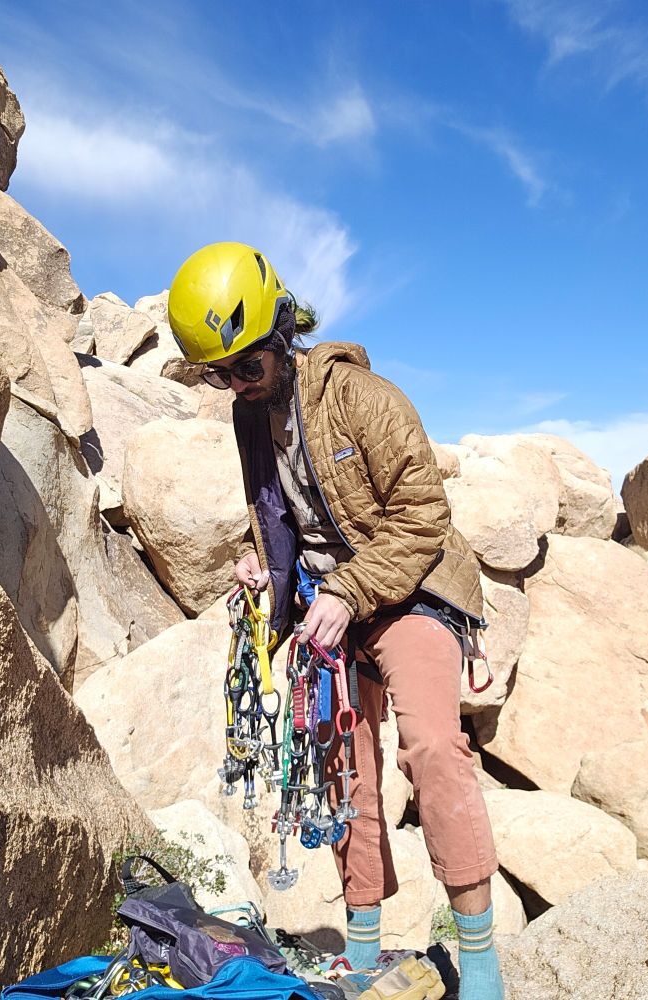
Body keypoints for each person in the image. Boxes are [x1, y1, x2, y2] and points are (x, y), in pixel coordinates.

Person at [168, 242, 505, 1000]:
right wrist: (265, 572)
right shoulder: (248, 416)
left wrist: (349, 592)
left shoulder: (363, 399)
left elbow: (423, 518)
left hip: (410, 590)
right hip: (328, 603)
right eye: (219, 374)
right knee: (343, 771)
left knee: (432, 747)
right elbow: (279, 512)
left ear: (282, 335)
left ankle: (481, 963)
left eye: (246, 366)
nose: (236, 386)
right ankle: (362, 950)